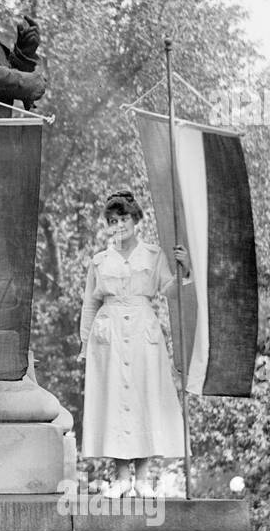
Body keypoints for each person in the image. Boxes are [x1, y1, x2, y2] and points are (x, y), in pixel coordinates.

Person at [78, 190, 189, 497]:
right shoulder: (100, 261)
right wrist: (86, 340)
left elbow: (170, 290)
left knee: (143, 399)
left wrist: (184, 269)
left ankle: (142, 478)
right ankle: (121, 477)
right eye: (113, 220)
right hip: (109, 331)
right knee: (114, 400)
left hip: (142, 330)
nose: (119, 225)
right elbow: (90, 302)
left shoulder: (153, 256)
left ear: (136, 220)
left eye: (125, 218)